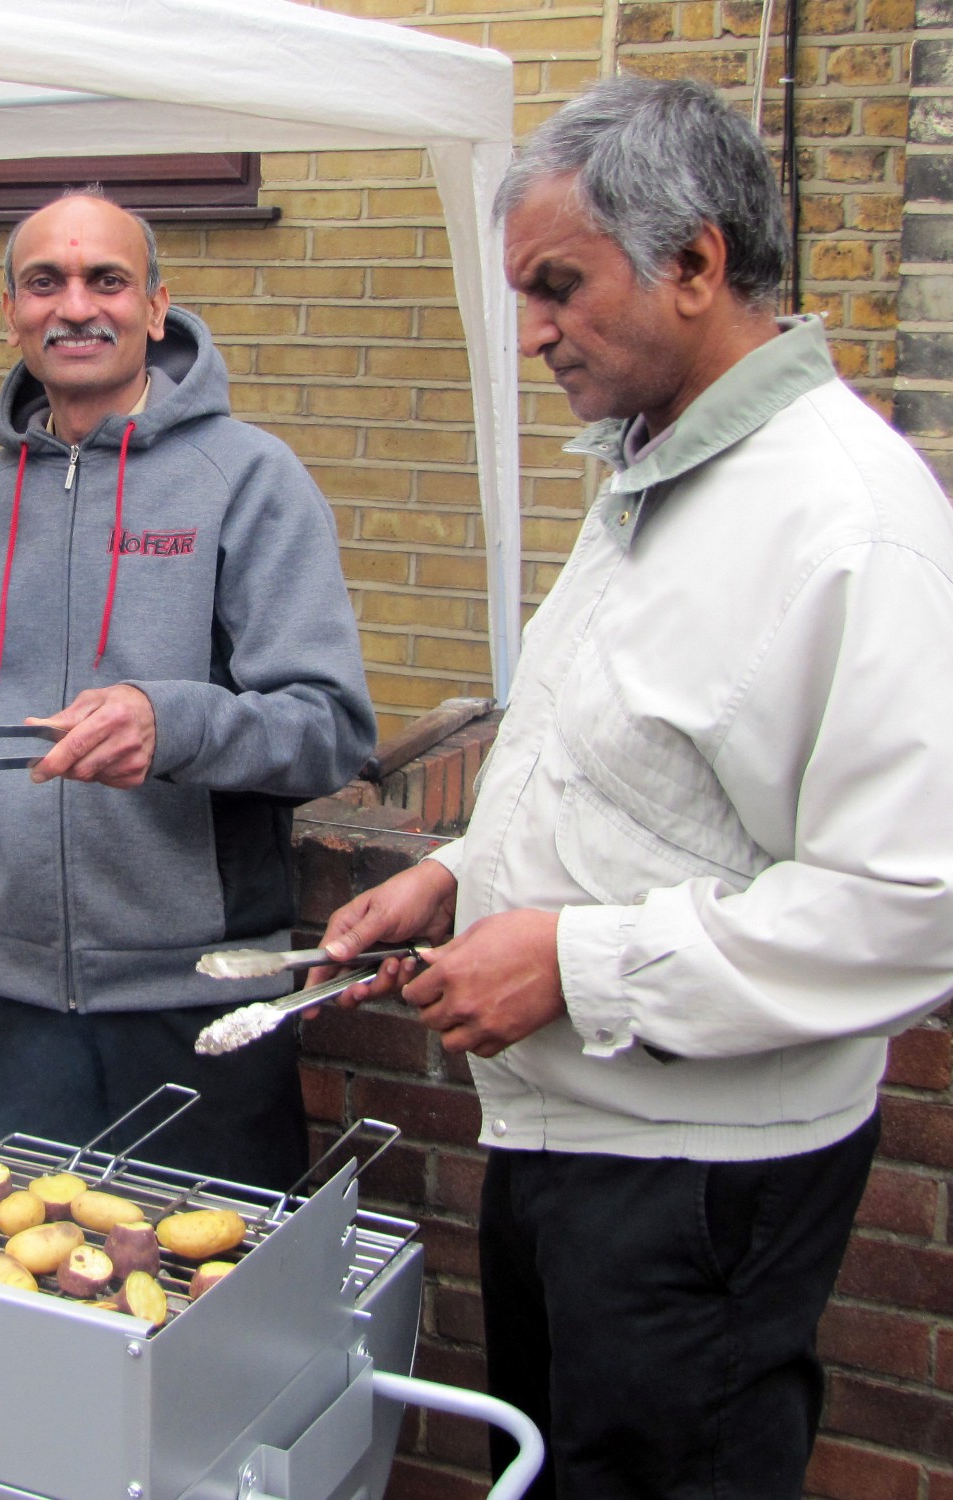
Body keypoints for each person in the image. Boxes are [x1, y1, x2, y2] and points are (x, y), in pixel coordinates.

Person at [318, 76, 953, 1500]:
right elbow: (623, 773)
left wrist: (574, 963)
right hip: (567, 1138)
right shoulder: (655, 470)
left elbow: (910, 906)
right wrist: (459, 877)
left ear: (694, 263)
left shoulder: (849, 518)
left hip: (698, 1186)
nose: (529, 332)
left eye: (555, 286)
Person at [0, 190, 375, 1190]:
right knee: (33, 1302)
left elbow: (326, 728)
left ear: (155, 307)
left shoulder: (247, 479)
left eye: (105, 280)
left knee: (205, 1303)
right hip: (6, 1003)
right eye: (44, 282)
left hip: (194, 1005)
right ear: (10, 311)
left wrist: (174, 721)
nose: (75, 306)